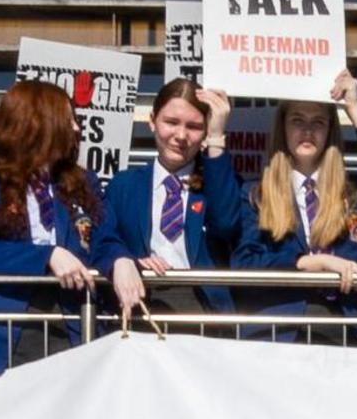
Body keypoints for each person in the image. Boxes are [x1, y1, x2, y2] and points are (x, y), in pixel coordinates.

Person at [229, 71, 357, 339]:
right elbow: (244, 263)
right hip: (280, 331)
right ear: (283, 128)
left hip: (345, 331)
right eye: (297, 121)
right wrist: (313, 263)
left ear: (330, 130)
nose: (308, 131)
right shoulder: (256, 194)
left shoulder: (352, 192)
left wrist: (354, 109)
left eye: (319, 123)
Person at [0, 73, 98, 373]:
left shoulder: (82, 181)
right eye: (67, 119)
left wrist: (121, 260)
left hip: (71, 323)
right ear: (38, 123)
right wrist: (46, 256)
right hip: (9, 327)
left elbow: (104, 237)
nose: (77, 128)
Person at [91, 77, 246, 323]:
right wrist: (124, 259)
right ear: (152, 121)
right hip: (140, 305)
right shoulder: (124, 185)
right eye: (171, 122)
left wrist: (217, 138)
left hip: (203, 310)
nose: (181, 135)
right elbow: (102, 238)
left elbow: (226, 224)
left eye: (194, 127)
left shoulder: (218, 182)